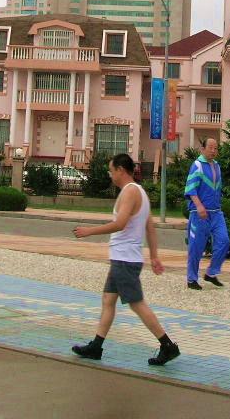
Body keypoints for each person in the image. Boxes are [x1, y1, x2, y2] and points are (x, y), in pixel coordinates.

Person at [71, 153, 180, 366]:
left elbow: (120, 224)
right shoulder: (140, 192)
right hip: (124, 257)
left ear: (121, 170)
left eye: (111, 171)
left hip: (125, 259)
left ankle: (167, 345)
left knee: (136, 303)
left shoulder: (130, 192)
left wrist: (89, 231)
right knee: (108, 299)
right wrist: (154, 256)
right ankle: (96, 346)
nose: (110, 175)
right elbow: (150, 227)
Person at [184, 137, 230, 290]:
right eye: (210, 147)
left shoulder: (217, 166)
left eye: (216, 148)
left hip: (216, 213)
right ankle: (192, 279)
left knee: (224, 241)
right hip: (199, 213)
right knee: (196, 247)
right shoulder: (197, 165)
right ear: (202, 149)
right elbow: (190, 188)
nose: (213, 151)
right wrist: (199, 206)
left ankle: (211, 273)